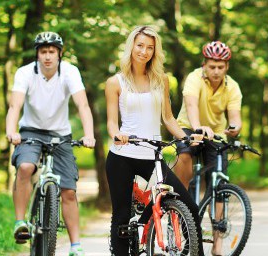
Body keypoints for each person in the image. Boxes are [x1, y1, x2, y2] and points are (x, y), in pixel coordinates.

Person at [104, 25, 204, 256]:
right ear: (131, 47)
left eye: (150, 47)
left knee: (188, 206)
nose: (144, 51)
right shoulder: (115, 82)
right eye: (140, 45)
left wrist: (186, 138)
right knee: (121, 217)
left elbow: (168, 118)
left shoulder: (162, 80)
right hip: (123, 155)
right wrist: (117, 135)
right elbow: (111, 122)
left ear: (155, 51)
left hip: (152, 155)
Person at [6, 31, 95, 256]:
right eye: (43, 51)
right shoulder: (25, 73)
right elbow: (14, 106)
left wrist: (89, 134)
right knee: (25, 167)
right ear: (37, 54)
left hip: (60, 134)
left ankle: (75, 246)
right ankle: (20, 222)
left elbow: (83, 106)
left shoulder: (70, 72)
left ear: (59, 54)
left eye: (52, 52)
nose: (47, 56)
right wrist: (11, 131)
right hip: (30, 132)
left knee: (69, 191)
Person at [173, 40, 242, 256]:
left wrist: (234, 129)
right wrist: (197, 128)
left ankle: (217, 244)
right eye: (212, 66)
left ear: (227, 67)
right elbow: (191, 105)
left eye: (221, 67)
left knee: (219, 184)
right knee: (185, 156)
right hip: (188, 127)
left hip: (216, 134)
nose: (216, 71)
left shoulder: (232, 87)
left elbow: (235, 118)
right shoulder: (194, 79)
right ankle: (178, 204)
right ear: (204, 64)